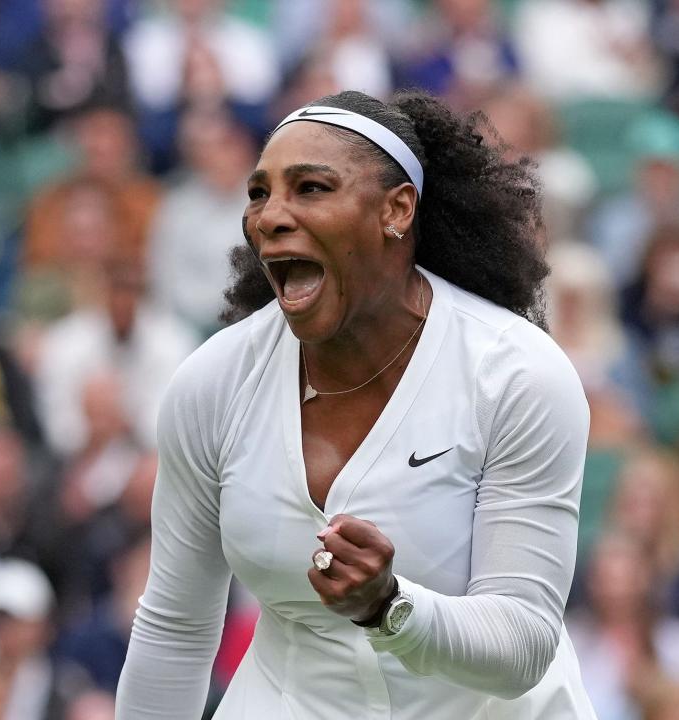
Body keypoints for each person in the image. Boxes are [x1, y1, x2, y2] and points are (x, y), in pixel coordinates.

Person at [116, 89, 596, 718]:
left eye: (311, 187)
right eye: (259, 193)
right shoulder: (212, 383)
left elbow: (522, 645)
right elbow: (175, 631)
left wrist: (389, 605)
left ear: (397, 210)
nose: (271, 216)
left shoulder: (517, 375)